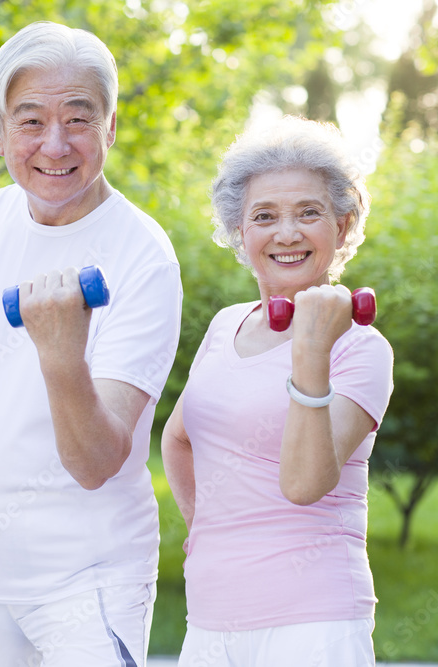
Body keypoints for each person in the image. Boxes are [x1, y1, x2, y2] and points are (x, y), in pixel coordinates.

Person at [0, 21, 183, 666]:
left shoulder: (144, 257)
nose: (55, 145)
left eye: (79, 120)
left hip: (86, 581)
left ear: (110, 127)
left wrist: (61, 353)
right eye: (30, 121)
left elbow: (96, 461)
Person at [161, 116, 394, 666]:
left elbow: (304, 483)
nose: (285, 233)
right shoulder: (225, 326)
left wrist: (311, 348)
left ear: (343, 224)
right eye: (264, 216)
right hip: (211, 619)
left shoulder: (361, 347)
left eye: (307, 213)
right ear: (241, 233)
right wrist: (204, 530)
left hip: (315, 621)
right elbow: (178, 440)